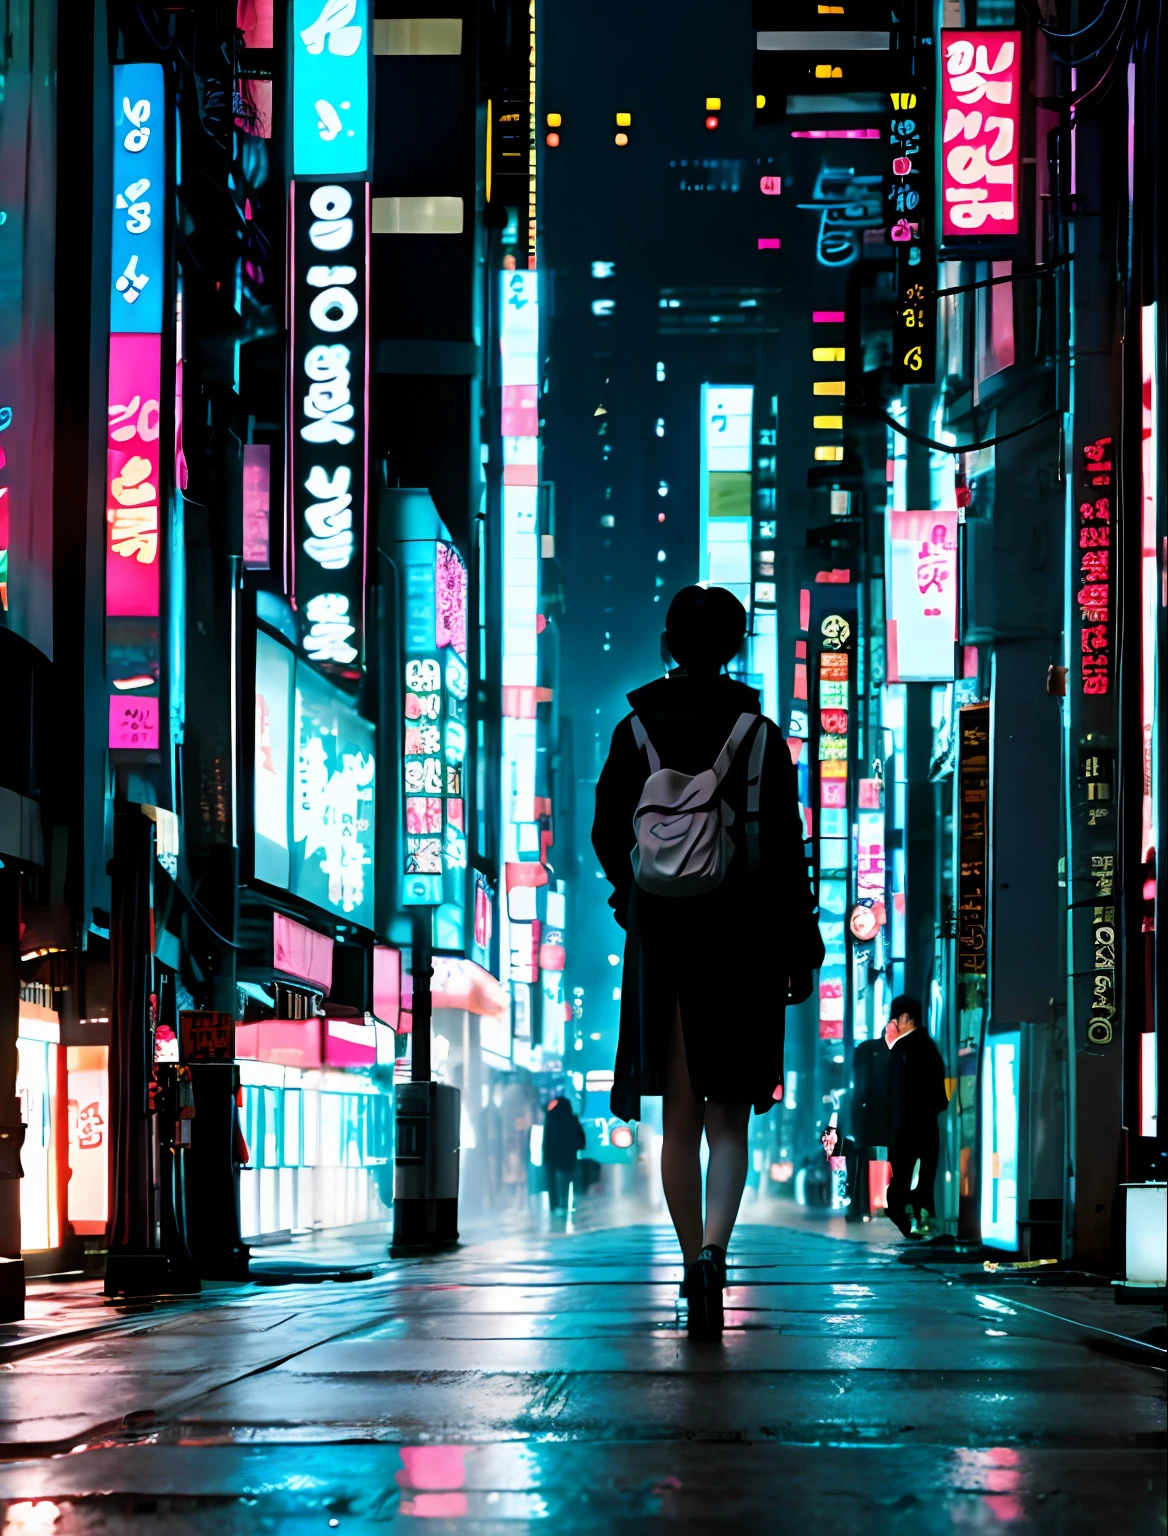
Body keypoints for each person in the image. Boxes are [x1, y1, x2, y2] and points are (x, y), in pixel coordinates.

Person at [592, 585, 824, 1337]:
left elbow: (604, 832)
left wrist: (635, 893)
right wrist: (799, 948)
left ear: (668, 641)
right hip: (743, 940)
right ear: (735, 643)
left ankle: (690, 1260)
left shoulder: (634, 732)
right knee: (731, 1123)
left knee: (678, 1125)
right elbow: (788, 856)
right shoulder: (761, 736)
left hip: (662, 941)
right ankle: (718, 1254)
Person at [883, 994, 949, 1238]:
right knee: (917, 1178)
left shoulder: (910, 1048)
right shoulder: (921, 1046)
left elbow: (903, 1093)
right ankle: (916, 1220)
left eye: (895, 1018)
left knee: (906, 1178)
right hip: (918, 1126)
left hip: (910, 1127)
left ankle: (914, 1221)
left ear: (906, 1018)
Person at [543, 1094, 586, 1212]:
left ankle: (554, 1205)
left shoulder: (550, 1118)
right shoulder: (572, 1120)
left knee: (552, 1183)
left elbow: (546, 1139)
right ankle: (565, 1203)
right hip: (567, 1158)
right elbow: (581, 1140)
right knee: (566, 1181)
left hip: (550, 1157)